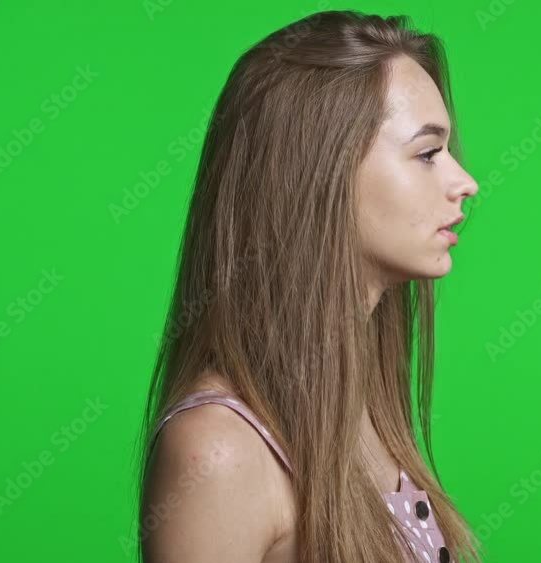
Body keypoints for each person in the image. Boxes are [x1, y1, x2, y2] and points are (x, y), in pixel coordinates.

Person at [134, 9, 481, 563]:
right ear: (321, 173)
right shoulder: (218, 451)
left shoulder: (363, 411)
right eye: (426, 154)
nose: (465, 182)